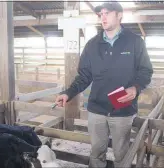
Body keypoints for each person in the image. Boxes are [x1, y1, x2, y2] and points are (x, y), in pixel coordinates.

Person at [55, 1, 153, 168]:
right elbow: (84, 76)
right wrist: (68, 93)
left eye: (107, 13)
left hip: (123, 110)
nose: (103, 17)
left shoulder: (135, 42)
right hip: (97, 110)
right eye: (101, 14)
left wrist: (136, 88)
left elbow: (146, 71)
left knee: (121, 154)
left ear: (119, 15)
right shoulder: (92, 45)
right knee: (96, 152)